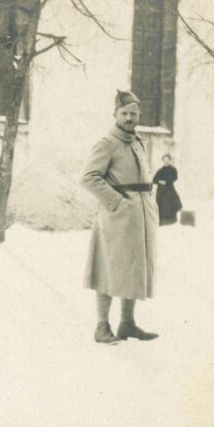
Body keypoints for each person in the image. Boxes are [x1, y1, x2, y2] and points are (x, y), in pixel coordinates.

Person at [81, 90, 159, 344]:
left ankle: (127, 323)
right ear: (114, 114)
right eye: (124, 113)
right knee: (109, 269)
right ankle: (102, 326)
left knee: (134, 268)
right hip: (118, 216)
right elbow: (89, 177)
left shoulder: (136, 141)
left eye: (133, 114)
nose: (129, 118)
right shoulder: (107, 142)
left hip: (140, 215)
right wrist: (118, 202)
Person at [152, 154, 182, 226]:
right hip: (161, 191)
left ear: (170, 160)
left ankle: (172, 221)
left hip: (169, 189)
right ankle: (161, 222)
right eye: (164, 160)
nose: (166, 162)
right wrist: (159, 181)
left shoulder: (173, 169)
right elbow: (154, 180)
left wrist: (166, 182)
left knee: (170, 204)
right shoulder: (160, 170)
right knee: (161, 205)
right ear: (163, 161)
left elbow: (174, 178)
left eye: (167, 160)